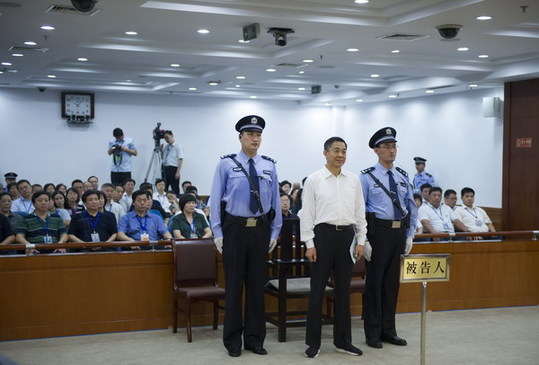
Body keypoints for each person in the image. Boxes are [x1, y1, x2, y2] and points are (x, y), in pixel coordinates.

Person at [209, 115, 282, 357]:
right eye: (250, 134)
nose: (255, 138)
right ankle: (232, 340)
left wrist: (275, 231)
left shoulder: (268, 165)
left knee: (256, 288)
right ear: (240, 137)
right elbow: (216, 200)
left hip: (260, 230)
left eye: (258, 134)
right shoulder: (226, 164)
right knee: (234, 287)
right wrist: (217, 232)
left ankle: (255, 338)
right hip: (235, 229)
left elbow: (275, 205)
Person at [300, 136, 367, 358]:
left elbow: (360, 213)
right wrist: (309, 243)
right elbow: (307, 215)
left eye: (344, 151)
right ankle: (313, 343)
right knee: (317, 291)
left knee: (343, 292)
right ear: (325, 153)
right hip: (322, 237)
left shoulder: (353, 180)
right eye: (336, 150)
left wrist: (360, 240)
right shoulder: (314, 180)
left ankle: (343, 341)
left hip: (346, 237)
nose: (341, 155)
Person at [360, 127, 417, 349]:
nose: (391, 150)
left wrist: (410, 233)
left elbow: (411, 206)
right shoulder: (366, 177)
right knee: (374, 284)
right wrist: (363, 239)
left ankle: (388, 330)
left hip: (398, 233)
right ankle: (372, 333)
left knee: (392, 284)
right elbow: (360, 210)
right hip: (378, 233)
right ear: (376, 150)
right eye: (386, 147)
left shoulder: (402, 175)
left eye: (394, 146)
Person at [161, 130, 184, 196]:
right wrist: (161, 151)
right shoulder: (166, 147)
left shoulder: (177, 146)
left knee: (175, 188)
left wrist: (178, 172)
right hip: (165, 168)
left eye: (167, 137)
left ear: (172, 136)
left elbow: (181, 159)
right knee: (164, 187)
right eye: (165, 138)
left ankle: (177, 203)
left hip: (173, 169)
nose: (166, 140)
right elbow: (163, 158)